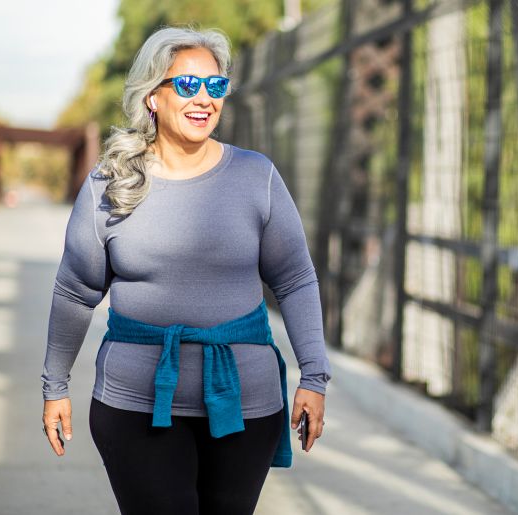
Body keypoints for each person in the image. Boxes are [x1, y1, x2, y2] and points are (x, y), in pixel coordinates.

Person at [40, 26, 332, 515]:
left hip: (246, 405)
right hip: (134, 403)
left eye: (215, 86)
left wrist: (314, 377)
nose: (204, 99)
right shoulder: (109, 184)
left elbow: (296, 279)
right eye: (187, 85)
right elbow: (75, 292)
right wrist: (56, 385)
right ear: (152, 96)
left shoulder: (255, 176)